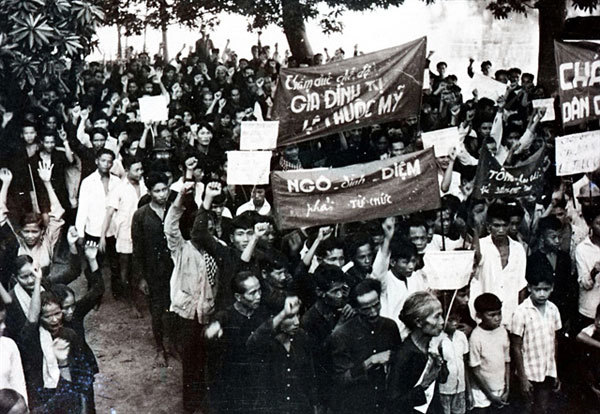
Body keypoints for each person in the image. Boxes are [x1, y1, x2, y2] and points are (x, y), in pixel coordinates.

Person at [329, 279, 400, 414]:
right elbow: (340, 379)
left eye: (376, 305)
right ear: (356, 308)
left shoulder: (390, 327)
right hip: (356, 407)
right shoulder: (342, 335)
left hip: (385, 404)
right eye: (366, 309)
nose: (373, 312)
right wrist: (370, 362)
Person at [50, 241, 103, 413]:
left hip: (82, 367)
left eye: (72, 305)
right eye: (65, 308)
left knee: (88, 407)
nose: (70, 311)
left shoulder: (77, 312)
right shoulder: (50, 322)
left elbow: (97, 289)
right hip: (62, 371)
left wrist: (92, 260)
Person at [204, 271, 268, 414]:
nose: (258, 296)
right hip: (233, 386)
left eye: (259, 290)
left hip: (258, 382)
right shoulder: (225, 317)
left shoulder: (262, 313)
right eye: (252, 293)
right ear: (238, 297)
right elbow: (209, 337)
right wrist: (211, 332)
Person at [131, 172, 174, 365]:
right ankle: (160, 348)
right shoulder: (141, 216)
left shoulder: (175, 210)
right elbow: (137, 248)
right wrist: (141, 277)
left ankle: (173, 344)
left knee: (175, 307)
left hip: (175, 268)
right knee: (157, 311)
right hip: (153, 271)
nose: (162, 194)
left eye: (164, 189)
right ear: (149, 192)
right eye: (157, 191)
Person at [247, 295, 317, 414]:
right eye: (290, 317)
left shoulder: (301, 337)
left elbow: (309, 376)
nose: (297, 322)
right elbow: (252, 342)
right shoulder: (265, 341)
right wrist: (283, 313)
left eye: (298, 315)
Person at [510, 266, 561, 414]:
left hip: (546, 370)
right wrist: (523, 378)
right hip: (529, 372)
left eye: (546, 289)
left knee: (542, 408)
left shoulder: (553, 309)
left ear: (552, 288)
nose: (542, 294)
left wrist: (555, 371)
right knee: (526, 408)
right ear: (530, 288)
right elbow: (516, 347)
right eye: (538, 289)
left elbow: (554, 342)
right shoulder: (521, 312)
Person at [99, 155, 146, 312]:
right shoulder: (118, 188)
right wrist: (102, 237)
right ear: (127, 171)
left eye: (141, 169)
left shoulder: (145, 185)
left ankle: (141, 297)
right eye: (136, 170)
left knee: (141, 268)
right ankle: (132, 304)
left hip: (144, 233)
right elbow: (109, 213)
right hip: (125, 235)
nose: (140, 172)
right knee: (125, 271)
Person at [0, 164, 65, 277]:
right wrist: (5, 184)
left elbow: (57, 213)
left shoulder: (47, 242)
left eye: (34, 231)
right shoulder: (17, 244)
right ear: (20, 232)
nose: (30, 236)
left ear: (41, 232)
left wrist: (47, 183)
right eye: (26, 231)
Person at [387, 291, 445, 413]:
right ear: (418, 322)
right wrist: (424, 384)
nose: (442, 322)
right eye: (436, 316)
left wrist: (439, 365)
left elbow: (442, 379)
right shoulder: (404, 354)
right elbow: (394, 403)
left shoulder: (432, 346)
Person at [470, 202, 527, 326]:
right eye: (496, 225)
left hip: (511, 316)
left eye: (504, 225)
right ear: (489, 226)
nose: (501, 230)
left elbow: (521, 285)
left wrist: (520, 315)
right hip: (485, 318)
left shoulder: (518, 249)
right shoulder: (481, 246)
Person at [371, 217, 428, 337]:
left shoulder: (417, 278)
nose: (411, 266)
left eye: (413, 261)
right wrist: (387, 239)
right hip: (391, 336)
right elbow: (378, 268)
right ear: (392, 262)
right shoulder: (385, 280)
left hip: (414, 336)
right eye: (405, 262)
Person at [75, 148, 120, 297]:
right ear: (96, 161)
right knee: (94, 263)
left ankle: (117, 292)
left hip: (113, 231)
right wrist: (80, 232)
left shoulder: (117, 181)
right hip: (93, 230)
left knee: (115, 264)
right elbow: (82, 208)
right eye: (103, 160)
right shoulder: (88, 182)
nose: (106, 164)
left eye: (109, 161)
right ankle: (94, 295)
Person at [469, 293, 510, 413]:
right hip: (481, 391)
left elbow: (507, 361)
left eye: (499, 313)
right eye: (491, 315)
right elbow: (475, 370)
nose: (497, 318)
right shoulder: (476, 337)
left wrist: (507, 388)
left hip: (500, 388)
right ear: (479, 315)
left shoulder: (502, 332)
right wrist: (489, 395)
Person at [575, 206, 600, 334]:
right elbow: (585, 284)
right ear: (590, 224)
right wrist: (594, 271)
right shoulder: (582, 249)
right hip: (590, 310)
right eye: (598, 223)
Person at [438, 311, 469, 414]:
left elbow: (464, 363)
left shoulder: (461, 336)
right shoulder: (438, 339)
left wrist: (468, 390)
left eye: (456, 319)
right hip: (444, 389)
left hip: (460, 388)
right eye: (450, 320)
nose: (455, 322)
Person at [0, 300, 27, 407]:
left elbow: (19, 384)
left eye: (4, 321)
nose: (3, 326)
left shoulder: (9, 345)